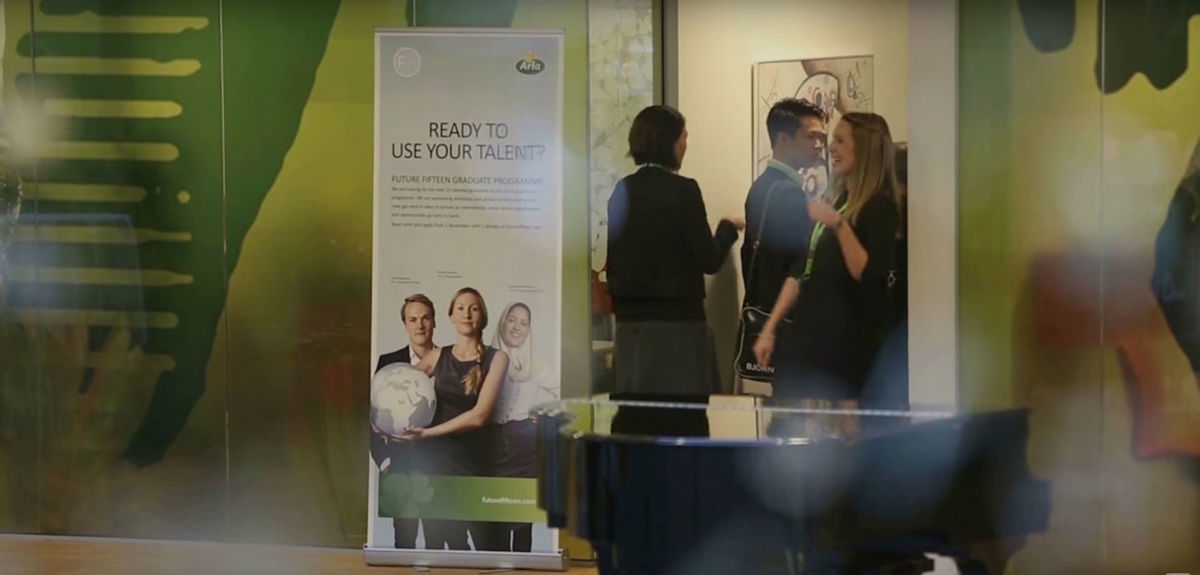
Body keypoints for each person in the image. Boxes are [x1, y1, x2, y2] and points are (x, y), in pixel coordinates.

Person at [752, 112, 902, 409]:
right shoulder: (839, 200)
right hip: (810, 341)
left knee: (842, 433)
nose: (830, 148)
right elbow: (801, 270)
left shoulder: (879, 208)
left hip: (845, 351)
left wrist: (839, 225)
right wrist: (770, 328)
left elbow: (869, 275)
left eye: (840, 141)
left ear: (865, 149)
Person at [605, 104, 744, 398]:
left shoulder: (622, 190)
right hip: (678, 330)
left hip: (631, 331)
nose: (685, 145)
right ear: (669, 142)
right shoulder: (684, 190)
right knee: (683, 414)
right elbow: (709, 259)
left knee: (637, 414)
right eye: (683, 137)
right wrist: (727, 228)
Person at [385, 287, 509, 551]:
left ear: (483, 317)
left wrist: (427, 433)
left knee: (491, 550)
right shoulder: (437, 355)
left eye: (474, 308)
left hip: (478, 467)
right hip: (438, 468)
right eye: (460, 308)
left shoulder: (498, 359)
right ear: (451, 316)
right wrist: (381, 416)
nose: (467, 314)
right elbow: (397, 385)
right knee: (450, 550)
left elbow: (479, 416)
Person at [484, 302, 559, 552]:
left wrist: (546, 414)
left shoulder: (535, 364)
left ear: (529, 330)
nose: (517, 327)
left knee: (522, 519)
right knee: (493, 517)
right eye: (512, 320)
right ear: (502, 322)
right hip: (491, 443)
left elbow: (565, 391)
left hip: (524, 446)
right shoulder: (485, 358)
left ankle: (522, 566)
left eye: (524, 323)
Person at [742, 98, 827, 314]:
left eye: (820, 138)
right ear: (783, 139)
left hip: (764, 310)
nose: (818, 145)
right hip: (785, 316)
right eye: (810, 136)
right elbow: (795, 267)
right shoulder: (788, 194)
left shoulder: (762, 185)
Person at [369, 293, 438, 549]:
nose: (420, 325)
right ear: (405, 324)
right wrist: (385, 462)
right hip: (399, 468)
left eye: (425, 318)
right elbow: (374, 416)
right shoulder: (388, 362)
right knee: (404, 541)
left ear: (434, 322)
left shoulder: (449, 360)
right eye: (413, 319)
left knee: (441, 542)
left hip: (439, 467)